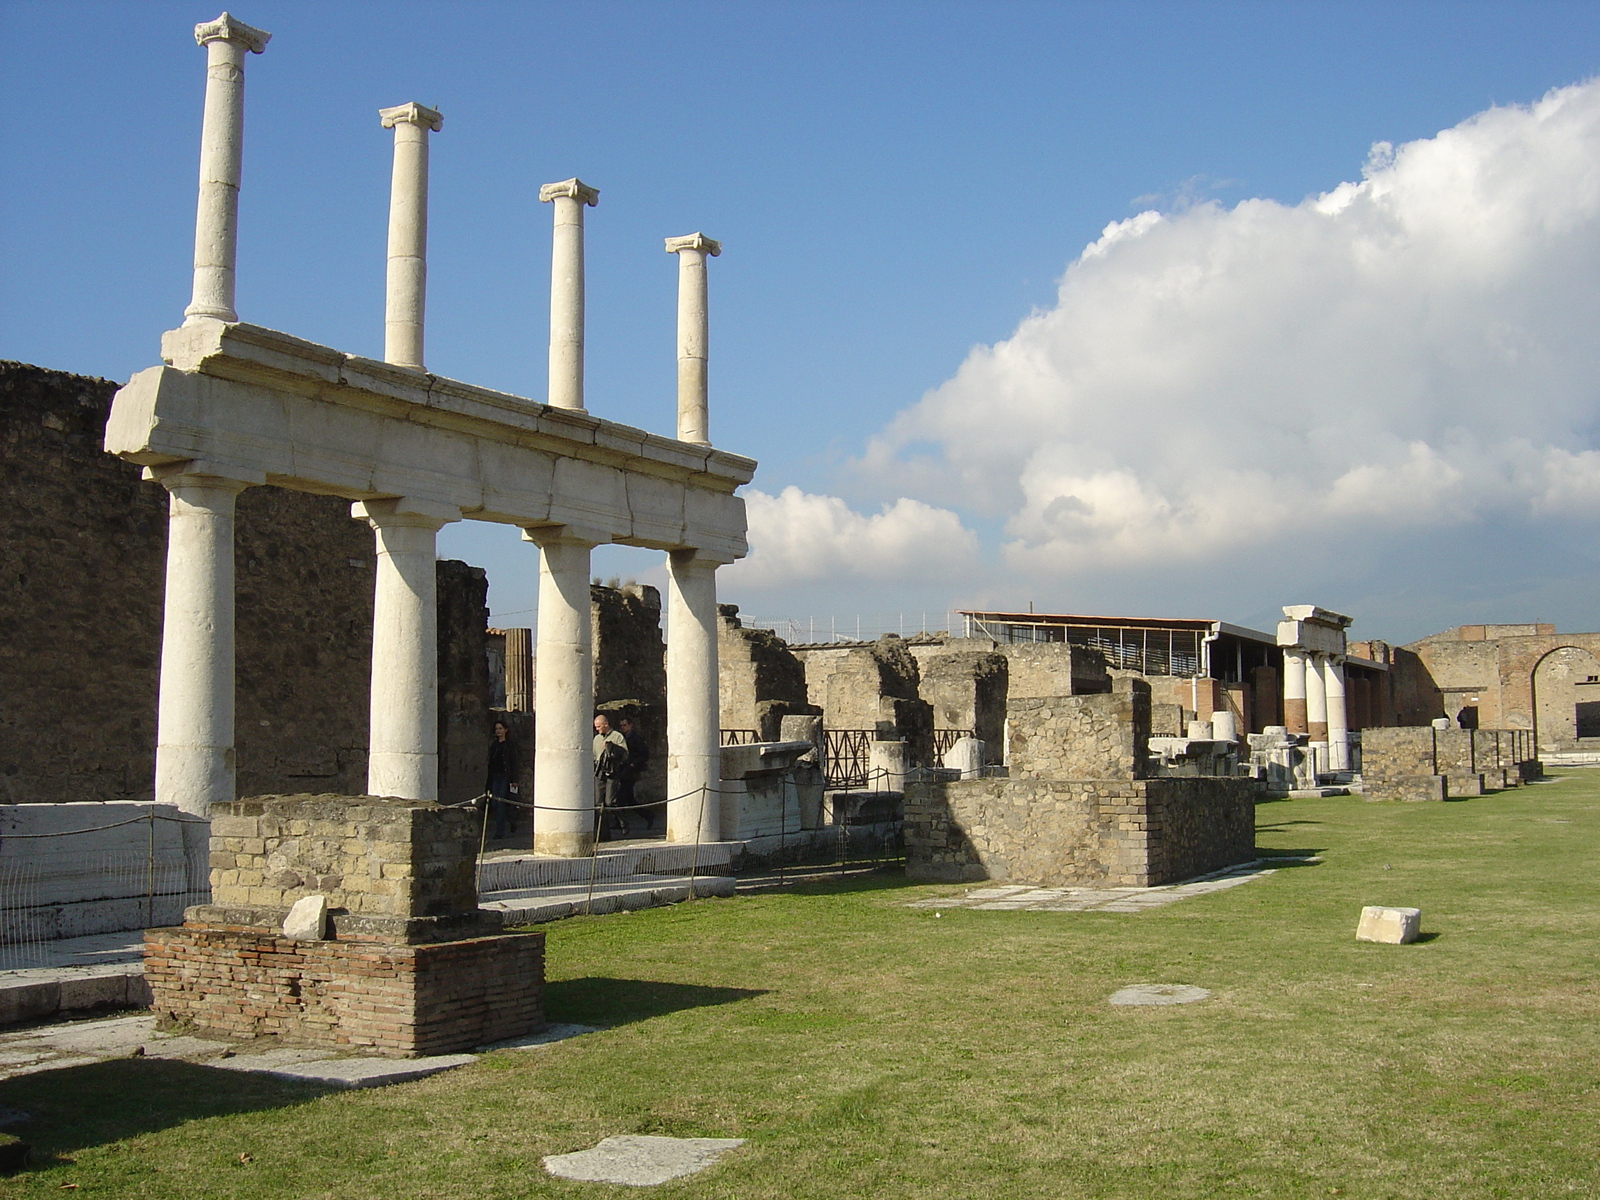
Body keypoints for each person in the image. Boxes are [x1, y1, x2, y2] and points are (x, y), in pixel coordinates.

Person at [592, 713, 630, 839]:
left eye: (598, 726)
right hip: (599, 773)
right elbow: (594, 756)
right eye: (596, 727)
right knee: (598, 804)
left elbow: (625, 754)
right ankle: (603, 834)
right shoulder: (596, 739)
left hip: (612, 772)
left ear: (606, 724)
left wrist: (612, 747)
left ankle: (623, 821)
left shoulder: (617, 736)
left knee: (610, 802)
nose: (597, 729)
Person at [485, 719, 520, 840]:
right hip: (495, 776)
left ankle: (500, 831)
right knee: (495, 803)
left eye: (500, 728)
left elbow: (514, 762)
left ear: (505, 730)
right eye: (496, 729)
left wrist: (515, 779)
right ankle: (510, 820)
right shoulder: (494, 745)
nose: (498, 731)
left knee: (501, 803)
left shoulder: (510, 745)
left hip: (506, 777)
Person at [617, 716, 652, 831]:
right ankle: (647, 816)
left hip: (631, 772)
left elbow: (645, 754)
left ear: (630, 725)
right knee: (629, 799)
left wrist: (634, 764)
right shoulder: (622, 737)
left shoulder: (636, 738)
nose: (622, 727)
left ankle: (621, 822)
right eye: (621, 725)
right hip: (624, 770)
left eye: (625, 725)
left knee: (622, 797)